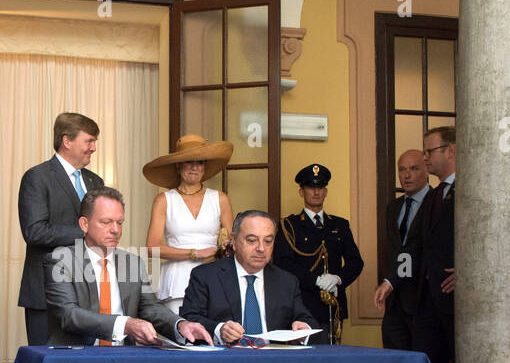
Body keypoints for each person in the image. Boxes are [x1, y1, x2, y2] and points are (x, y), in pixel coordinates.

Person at [45, 187, 212, 346]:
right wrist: (124, 324)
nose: (115, 230)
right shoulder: (61, 261)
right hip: (75, 358)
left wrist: (180, 325)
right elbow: (68, 315)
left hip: (123, 357)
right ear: (84, 224)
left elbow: (150, 308)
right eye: (106, 222)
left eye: (119, 222)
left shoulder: (133, 263)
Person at [377, 126, 456, 363]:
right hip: (426, 304)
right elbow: (413, 248)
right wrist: (390, 281)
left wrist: (472, 271)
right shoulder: (434, 198)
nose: (425, 159)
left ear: (451, 150)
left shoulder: (468, 189)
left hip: (455, 302)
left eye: (429, 152)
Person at [17, 112, 104, 344]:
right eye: (89, 141)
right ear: (67, 141)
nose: (93, 148)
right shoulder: (37, 177)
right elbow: (35, 232)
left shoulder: (96, 181)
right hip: (46, 293)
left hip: (87, 294)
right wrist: (88, 234)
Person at [180, 210, 318, 344]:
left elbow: (306, 319)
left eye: (268, 241)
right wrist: (219, 329)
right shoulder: (206, 276)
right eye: (252, 240)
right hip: (225, 361)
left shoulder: (286, 281)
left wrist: (303, 328)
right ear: (233, 241)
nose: (261, 248)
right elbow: (189, 318)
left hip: (273, 359)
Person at [273, 163, 363, 343]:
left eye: (320, 187)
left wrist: (338, 279)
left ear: (326, 191)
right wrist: (314, 280)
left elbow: (355, 262)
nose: (316, 192)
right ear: (301, 192)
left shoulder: (340, 225)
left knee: (331, 361)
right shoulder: (289, 226)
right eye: (311, 187)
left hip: (332, 306)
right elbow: (283, 263)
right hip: (302, 305)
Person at [143, 135, 233, 313]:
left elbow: (232, 242)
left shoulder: (220, 198)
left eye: (200, 162)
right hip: (176, 283)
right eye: (188, 162)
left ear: (205, 167)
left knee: (214, 336)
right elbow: (152, 248)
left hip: (214, 277)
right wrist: (195, 253)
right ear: (178, 166)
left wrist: (218, 253)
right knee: (180, 335)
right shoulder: (164, 200)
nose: (194, 167)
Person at [375, 149, 431, 350]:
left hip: (425, 302)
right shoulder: (393, 207)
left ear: (427, 170)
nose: (406, 175)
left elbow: (418, 251)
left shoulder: (436, 202)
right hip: (395, 302)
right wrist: (387, 281)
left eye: (414, 169)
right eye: (402, 170)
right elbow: (392, 252)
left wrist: (390, 281)